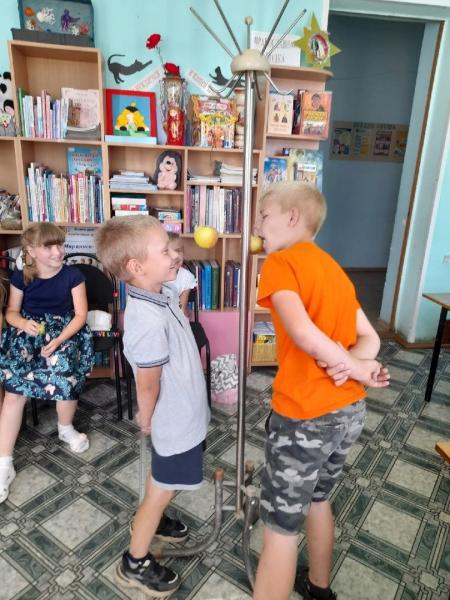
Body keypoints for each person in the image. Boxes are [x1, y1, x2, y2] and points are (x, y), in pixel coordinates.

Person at [252, 182, 390, 600]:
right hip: (348, 412)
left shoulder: (281, 262)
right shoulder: (333, 269)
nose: (258, 226)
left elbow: (302, 333)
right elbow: (371, 338)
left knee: (280, 527)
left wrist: (354, 367)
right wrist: (355, 365)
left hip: (304, 415)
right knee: (318, 498)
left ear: (292, 217)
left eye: (264, 216)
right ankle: (318, 588)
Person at [95, 215, 210, 598]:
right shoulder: (145, 318)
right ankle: (135, 561)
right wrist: (147, 416)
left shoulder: (160, 291)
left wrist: (173, 256)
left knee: (163, 481)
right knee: (163, 488)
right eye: (165, 251)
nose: (174, 255)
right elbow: (147, 381)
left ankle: (154, 518)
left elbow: (181, 273)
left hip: (183, 415)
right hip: (172, 421)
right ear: (137, 266)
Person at [0, 223, 94, 504]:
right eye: (49, 247)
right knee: (14, 391)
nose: (58, 251)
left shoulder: (73, 275)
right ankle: (4, 463)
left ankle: (65, 428)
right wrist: (22, 323)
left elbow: (80, 315)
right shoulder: (21, 277)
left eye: (60, 245)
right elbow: (11, 312)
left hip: (64, 332)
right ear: (31, 251)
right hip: (29, 332)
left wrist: (58, 340)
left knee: (65, 375)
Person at [166, 231, 196, 317]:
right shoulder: (154, 275)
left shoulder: (187, 277)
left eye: (178, 250)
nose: (176, 255)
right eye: (168, 253)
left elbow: (181, 308)